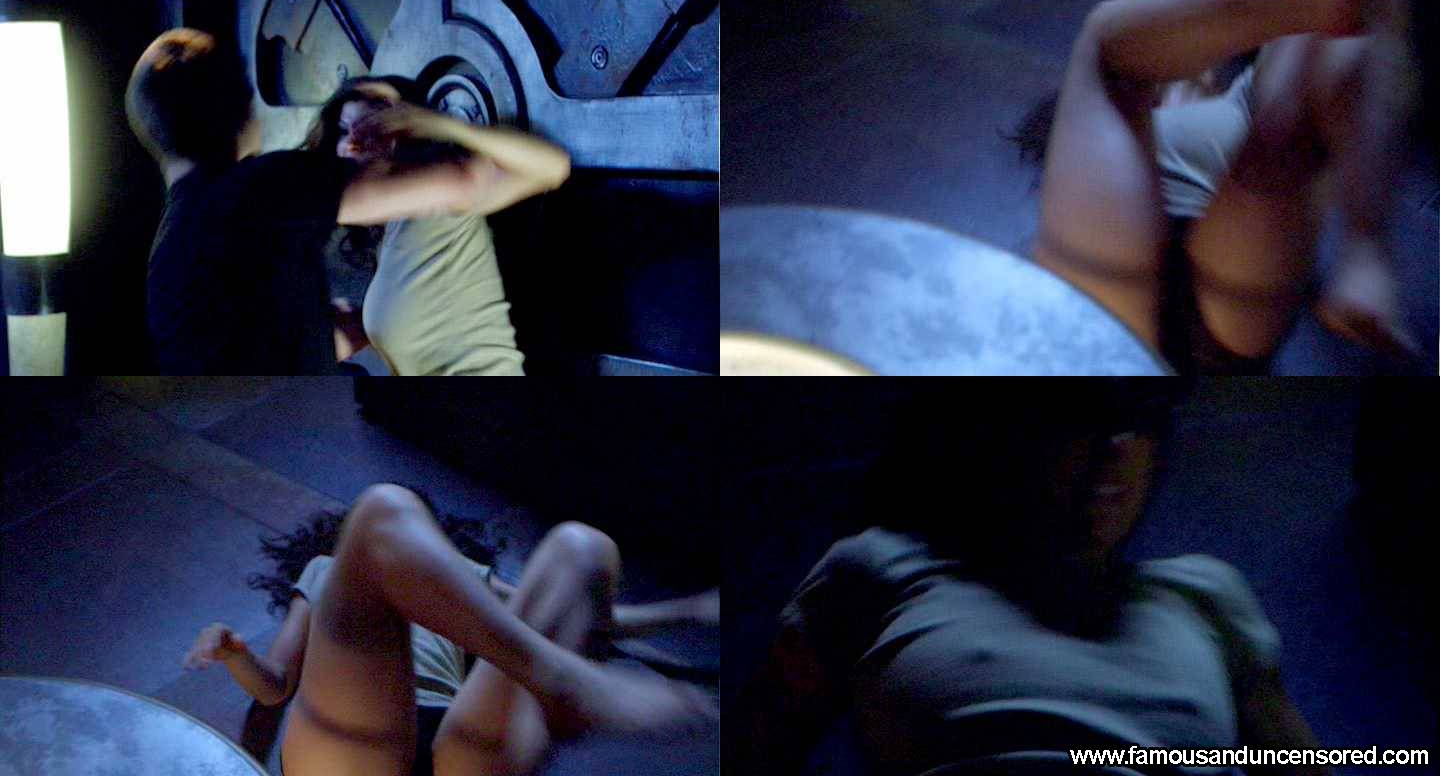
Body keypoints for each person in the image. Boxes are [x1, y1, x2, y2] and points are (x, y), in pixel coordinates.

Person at [740, 389, 1333, 775]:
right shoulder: (883, 569)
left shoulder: (1202, 594)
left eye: (1137, 423)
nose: (1114, 448)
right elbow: (755, 749)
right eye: (1083, 418)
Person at [1027, 0, 1426, 373]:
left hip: (1136, 272)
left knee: (1105, 45)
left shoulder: (1229, 91)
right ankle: (1366, 254)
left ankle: (1366, 255)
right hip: (1224, 291)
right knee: (1288, 110)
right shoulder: (1218, 95)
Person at [183, 484, 718, 776]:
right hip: (356, 749)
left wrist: (685, 611)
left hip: (455, 742)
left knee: (582, 548)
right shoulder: (325, 571)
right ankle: (561, 683)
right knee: (382, 511)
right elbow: (275, 686)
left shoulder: (460, 581)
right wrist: (234, 653)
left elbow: (578, 617)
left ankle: (562, 683)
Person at [125, 30, 524, 373]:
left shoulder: (166, 256)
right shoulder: (260, 187)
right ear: (237, 109)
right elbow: (468, 181)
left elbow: (254, 342)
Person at [304, 77, 570, 375]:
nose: (354, 141)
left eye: (371, 125)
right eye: (344, 130)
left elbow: (553, 166)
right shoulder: (391, 231)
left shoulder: (441, 202)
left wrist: (440, 125)